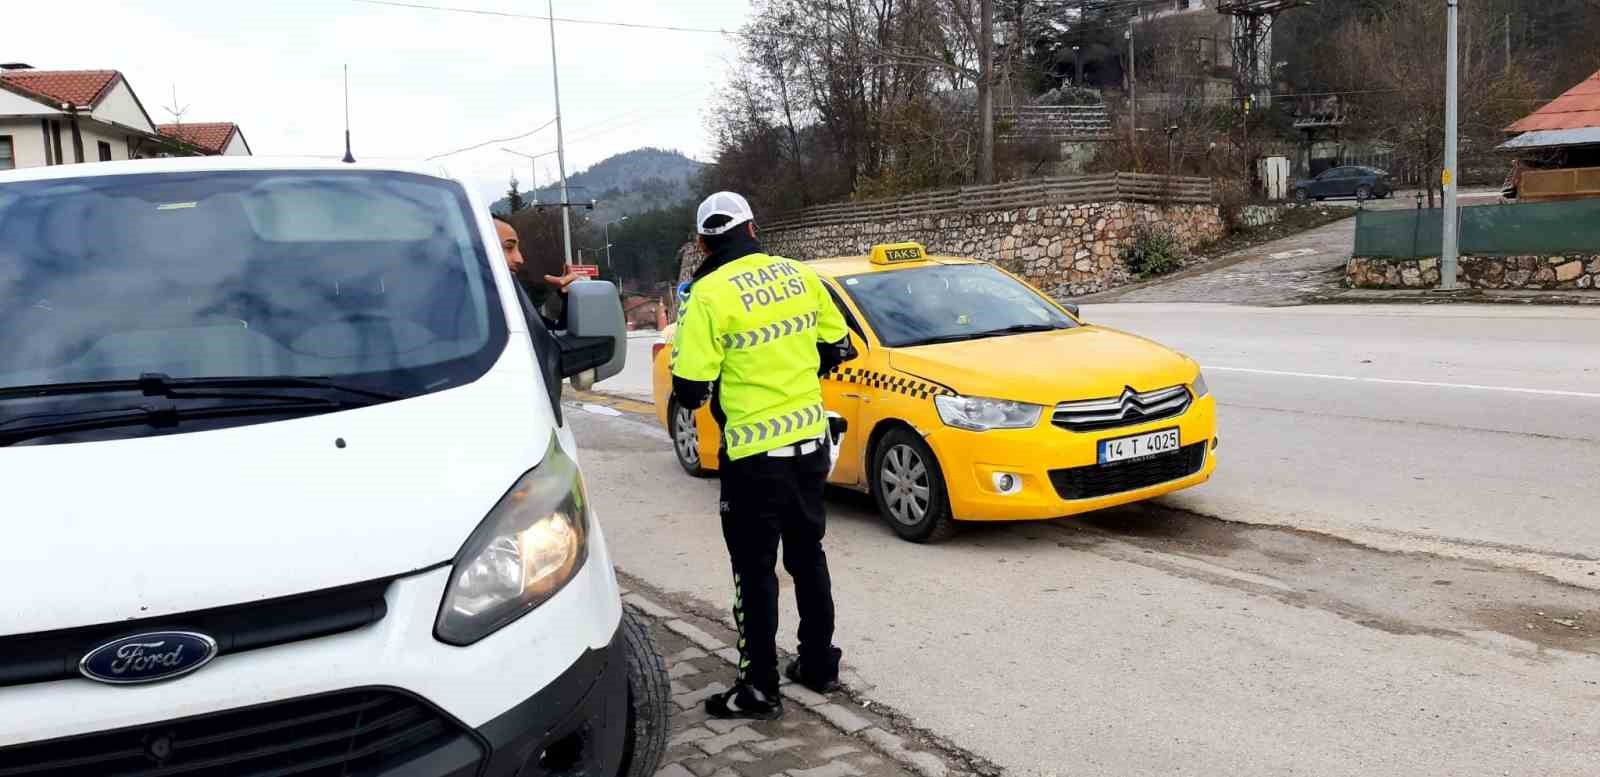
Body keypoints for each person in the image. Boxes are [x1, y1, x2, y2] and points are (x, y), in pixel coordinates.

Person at [671, 191, 856, 720]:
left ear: (705, 240)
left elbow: (690, 387)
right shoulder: (800, 276)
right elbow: (836, 346)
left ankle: (759, 689)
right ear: (752, 229)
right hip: (810, 445)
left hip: (755, 457)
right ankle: (819, 666)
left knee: (754, 572)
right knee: (808, 556)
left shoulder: (705, 295)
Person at [494, 213, 581, 329]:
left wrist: (567, 294)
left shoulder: (513, 305)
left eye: (517, 249)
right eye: (509, 247)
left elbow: (555, 336)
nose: (520, 259)